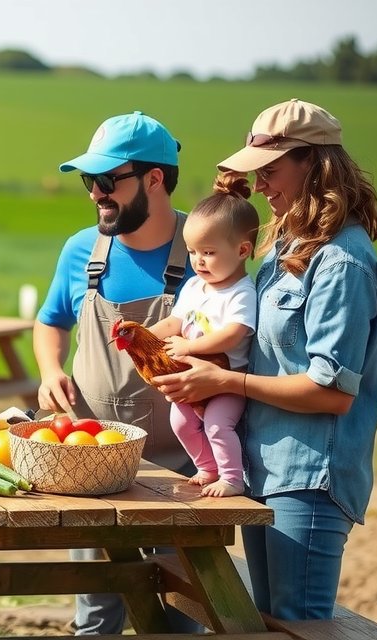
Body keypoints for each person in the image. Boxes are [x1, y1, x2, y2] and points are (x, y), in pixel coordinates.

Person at [153, 99, 377, 620]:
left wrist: (224, 383)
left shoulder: (341, 263)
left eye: (271, 171)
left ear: (315, 164)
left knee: (296, 622)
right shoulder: (286, 243)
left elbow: (333, 391)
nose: (260, 186)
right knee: (269, 620)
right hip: (266, 467)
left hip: (308, 477)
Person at [34, 111, 199, 635]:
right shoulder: (82, 250)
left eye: (107, 181)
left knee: (183, 615)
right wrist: (48, 368)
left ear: (155, 178)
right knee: (97, 615)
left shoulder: (206, 247)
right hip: (94, 466)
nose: (95, 194)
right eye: (90, 182)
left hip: (186, 475)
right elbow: (49, 322)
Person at [147, 176, 259, 498]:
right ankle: (207, 466)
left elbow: (233, 334)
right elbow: (176, 321)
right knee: (180, 422)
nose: (197, 261)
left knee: (217, 426)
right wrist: (147, 337)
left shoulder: (240, 293)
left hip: (227, 379)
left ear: (242, 250)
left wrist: (190, 346)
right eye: (193, 251)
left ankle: (232, 479)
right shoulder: (195, 286)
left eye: (208, 252)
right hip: (193, 378)